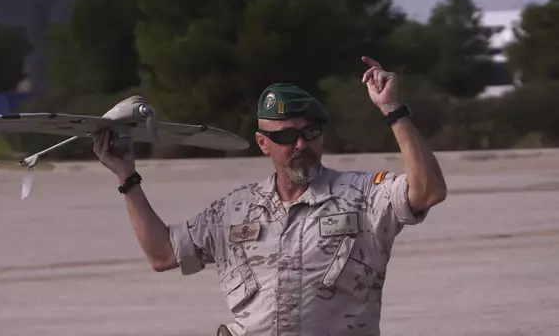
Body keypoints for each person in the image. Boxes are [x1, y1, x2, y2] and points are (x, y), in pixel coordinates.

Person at [92, 56, 447, 336]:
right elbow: (163, 253)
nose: (300, 145)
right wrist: (127, 176)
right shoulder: (234, 210)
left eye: (310, 132)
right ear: (263, 143)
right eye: (285, 137)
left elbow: (428, 190)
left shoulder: (364, 196)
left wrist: (392, 110)